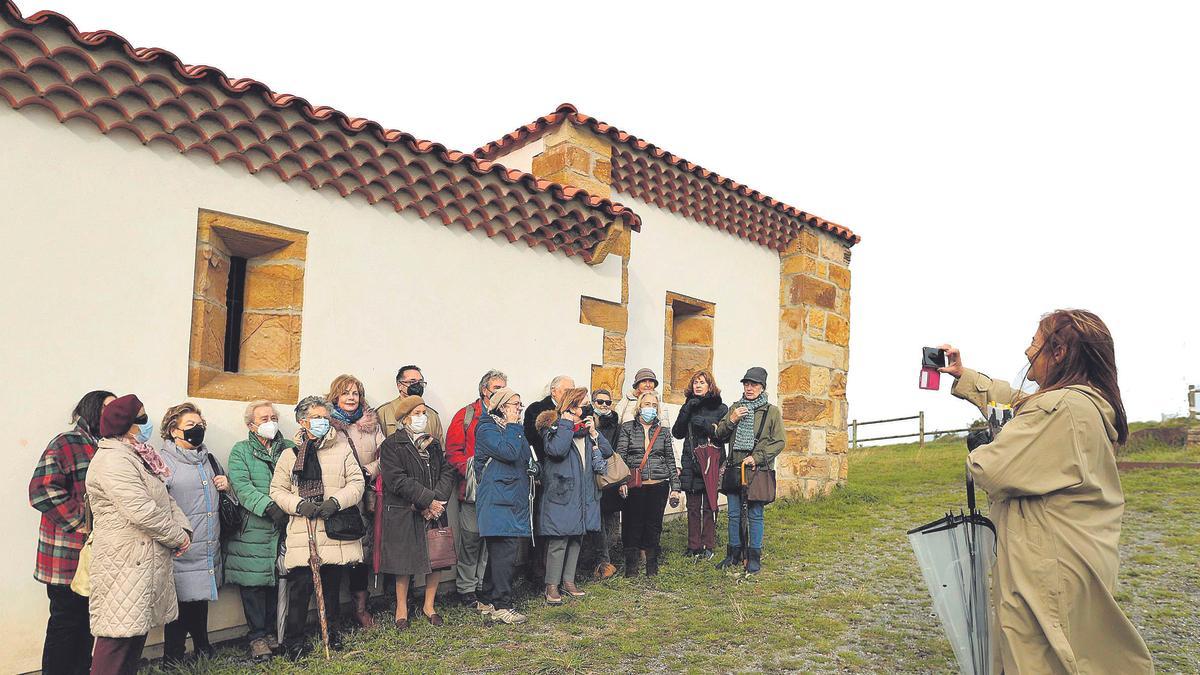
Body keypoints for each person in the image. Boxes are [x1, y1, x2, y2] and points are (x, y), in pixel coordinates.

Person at [940, 310, 1154, 674]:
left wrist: (985, 445)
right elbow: (1020, 403)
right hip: (1071, 560)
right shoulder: (1081, 403)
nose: (1027, 351)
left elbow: (990, 467)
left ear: (1059, 353)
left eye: (1035, 344)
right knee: (1077, 648)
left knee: (1039, 656)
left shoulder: (1062, 408)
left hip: (1047, 568)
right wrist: (967, 377)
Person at [86, 394, 191, 675]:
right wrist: (176, 537)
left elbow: (163, 499)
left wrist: (183, 528)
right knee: (116, 638)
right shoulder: (113, 460)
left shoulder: (138, 456)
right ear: (126, 424)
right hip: (124, 562)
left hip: (142, 561)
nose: (146, 423)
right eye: (141, 418)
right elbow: (141, 510)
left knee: (133, 636)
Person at [270, 396, 365, 660]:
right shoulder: (289, 455)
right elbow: (277, 490)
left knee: (333, 585)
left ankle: (331, 633)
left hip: (333, 529)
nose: (323, 422)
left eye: (326, 417)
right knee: (300, 589)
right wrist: (299, 505)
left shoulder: (342, 449)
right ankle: (295, 641)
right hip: (304, 530)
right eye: (317, 417)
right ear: (303, 422)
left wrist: (336, 502)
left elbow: (356, 484)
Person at [28, 390, 114, 675]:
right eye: (107, 407)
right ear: (90, 410)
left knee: (88, 623)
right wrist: (83, 521)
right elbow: (42, 489)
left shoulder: (109, 447)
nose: (114, 414)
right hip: (65, 554)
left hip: (96, 555)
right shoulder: (67, 443)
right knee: (65, 624)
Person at [376, 396, 455, 628]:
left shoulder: (433, 444)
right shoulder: (391, 445)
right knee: (404, 560)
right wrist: (427, 501)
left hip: (435, 509)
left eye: (424, 413)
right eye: (418, 413)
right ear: (405, 417)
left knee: (437, 557)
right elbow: (397, 480)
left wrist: (438, 501)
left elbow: (447, 471)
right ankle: (401, 607)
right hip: (406, 511)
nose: (423, 417)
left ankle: (429, 605)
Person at [159, 403, 229, 665]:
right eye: (190, 426)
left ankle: (202, 648)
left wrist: (225, 485)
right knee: (178, 605)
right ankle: (172, 658)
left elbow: (221, 496)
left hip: (208, 543)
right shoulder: (163, 462)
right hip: (181, 545)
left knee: (200, 600)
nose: (197, 430)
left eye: (200, 426)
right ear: (172, 430)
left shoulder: (208, 459)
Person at [225, 400, 293, 661]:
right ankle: (257, 637)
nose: (270, 422)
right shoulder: (241, 451)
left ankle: (275, 631)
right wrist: (268, 507)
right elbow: (241, 486)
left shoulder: (289, 448)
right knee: (253, 583)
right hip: (254, 527)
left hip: (285, 524)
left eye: (273, 417)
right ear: (251, 425)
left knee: (279, 579)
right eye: (264, 418)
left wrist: (287, 507)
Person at [535, 387, 613, 603]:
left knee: (577, 537)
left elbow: (606, 452)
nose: (587, 408)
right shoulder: (552, 427)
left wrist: (594, 433)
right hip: (562, 493)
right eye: (583, 405)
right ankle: (551, 585)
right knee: (559, 540)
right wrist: (567, 423)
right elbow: (557, 450)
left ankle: (568, 581)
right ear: (571, 407)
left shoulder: (585, 430)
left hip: (584, 492)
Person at [444, 369, 508, 607]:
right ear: (485, 390)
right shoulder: (467, 415)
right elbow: (453, 452)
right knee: (471, 539)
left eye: (504, 388)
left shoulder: (506, 416)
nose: (501, 393)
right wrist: (473, 473)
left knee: (491, 539)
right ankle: (466, 589)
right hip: (473, 490)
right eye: (497, 388)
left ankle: (482, 584)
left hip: (499, 491)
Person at [325, 374, 384, 629]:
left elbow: (386, 455)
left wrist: (369, 470)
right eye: (345, 392)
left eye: (355, 393)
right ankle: (332, 615)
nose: (351, 397)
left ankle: (361, 609)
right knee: (336, 556)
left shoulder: (371, 424)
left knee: (360, 556)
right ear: (335, 396)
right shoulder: (326, 425)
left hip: (362, 500)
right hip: (337, 499)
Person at [713, 367, 785, 574]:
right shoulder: (735, 407)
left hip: (758, 470)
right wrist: (732, 419)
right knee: (734, 514)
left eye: (754, 384)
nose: (749, 388)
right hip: (736, 468)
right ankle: (733, 554)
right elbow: (720, 435)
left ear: (762, 387)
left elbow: (779, 441)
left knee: (755, 514)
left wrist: (758, 457)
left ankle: (753, 557)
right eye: (746, 384)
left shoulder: (771, 411)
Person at [474, 387, 532, 625]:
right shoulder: (487, 428)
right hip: (497, 502)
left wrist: (533, 468)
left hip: (511, 500)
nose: (520, 408)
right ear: (501, 406)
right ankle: (502, 605)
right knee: (504, 554)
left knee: (500, 554)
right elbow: (508, 452)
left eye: (520, 404)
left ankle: (487, 599)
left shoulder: (513, 430)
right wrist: (513, 425)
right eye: (515, 404)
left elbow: (525, 455)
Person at [615, 391, 680, 576]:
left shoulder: (664, 431)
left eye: (653, 405)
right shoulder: (628, 427)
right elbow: (621, 457)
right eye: (646, 404)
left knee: (654, 525)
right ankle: (631, 567)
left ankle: (652, 566)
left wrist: (675, 487)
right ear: (639, 407)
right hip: (635, 484)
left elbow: (670, 459)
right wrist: (621, 481)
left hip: (659, 484)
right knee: (632, 524)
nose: (650, 408)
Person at [672, 370, 728, 560]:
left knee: (710, 506)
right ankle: (693, 545)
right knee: (693, 506)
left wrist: (705, 424)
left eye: (702, 382)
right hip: (691, 461)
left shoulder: (721, 408)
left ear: (709, 385)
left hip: (711, 462)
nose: (697, 385)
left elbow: (724, 435)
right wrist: (687, 410)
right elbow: (677, 433)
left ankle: (708, 545)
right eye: (695, 382)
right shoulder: (689, 405)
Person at [583, 388, 622, 580]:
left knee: (612, 523)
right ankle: (601, 562)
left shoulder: (616, 424)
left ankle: (606, 559)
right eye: (600, 402)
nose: (604, 405)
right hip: (590, 477)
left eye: (608, 402)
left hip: (610, 476)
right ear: (593, 402)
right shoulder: (587, 421)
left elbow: (616, 450)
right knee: (595, 523)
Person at [377, 365, 444, 441]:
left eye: (420, 382)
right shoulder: (383, 413)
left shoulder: (432, 415)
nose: (417, 385)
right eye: (412, 382)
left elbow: (440, 449)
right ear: (400, 386)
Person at [524, 375, 574, 461]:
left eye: (573, 392)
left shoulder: (575, 410)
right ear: (553, 391)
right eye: (567, 391)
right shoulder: (536, 409)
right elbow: (531, 438)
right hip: (547, 462)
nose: (570, 395)